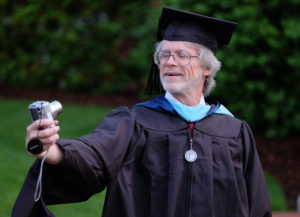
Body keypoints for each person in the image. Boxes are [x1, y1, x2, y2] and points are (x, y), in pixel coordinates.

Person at [12, 7, 272, 217]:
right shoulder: (135, 121)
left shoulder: (235, 132)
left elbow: (257, 205)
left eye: (182, 55)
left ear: (207, 68)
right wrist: (53, 151)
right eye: (164, 55)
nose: (170, 62)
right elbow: (96, 153)